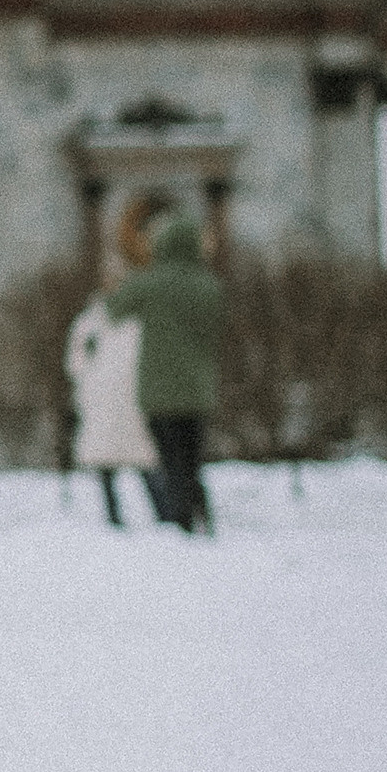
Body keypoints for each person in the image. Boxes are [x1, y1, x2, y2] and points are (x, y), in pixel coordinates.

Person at [105, 208, 224, 532]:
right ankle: (200, 514)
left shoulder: (149, 283)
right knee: (192, 456)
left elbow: (114, 309)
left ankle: (180, 521)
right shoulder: (208, 285)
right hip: (197, 388)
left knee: (169, 460)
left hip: (158, 390)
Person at [64, 283, 158, 525]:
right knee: (145, 461)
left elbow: (74, 366)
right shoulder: (138, 324)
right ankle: (164, 516)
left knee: (106, 465)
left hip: (99, 407)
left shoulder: (86, 325)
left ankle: (114, 519)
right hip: (133, 407)